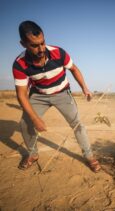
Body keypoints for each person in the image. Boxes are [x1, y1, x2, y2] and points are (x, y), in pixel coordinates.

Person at [12, 20, 101, 172]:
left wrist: (85, 88)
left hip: (62, 93)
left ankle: (89, 156)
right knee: (25, 124)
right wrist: (35, 119)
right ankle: (32, 155)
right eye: (34, 45)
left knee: (78, 124)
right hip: (39, 95)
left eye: (42, 42)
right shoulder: (19, 64)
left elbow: (74, 69)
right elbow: (21, 95)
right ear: (23, 44)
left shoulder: (58, 53)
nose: (41, 49)